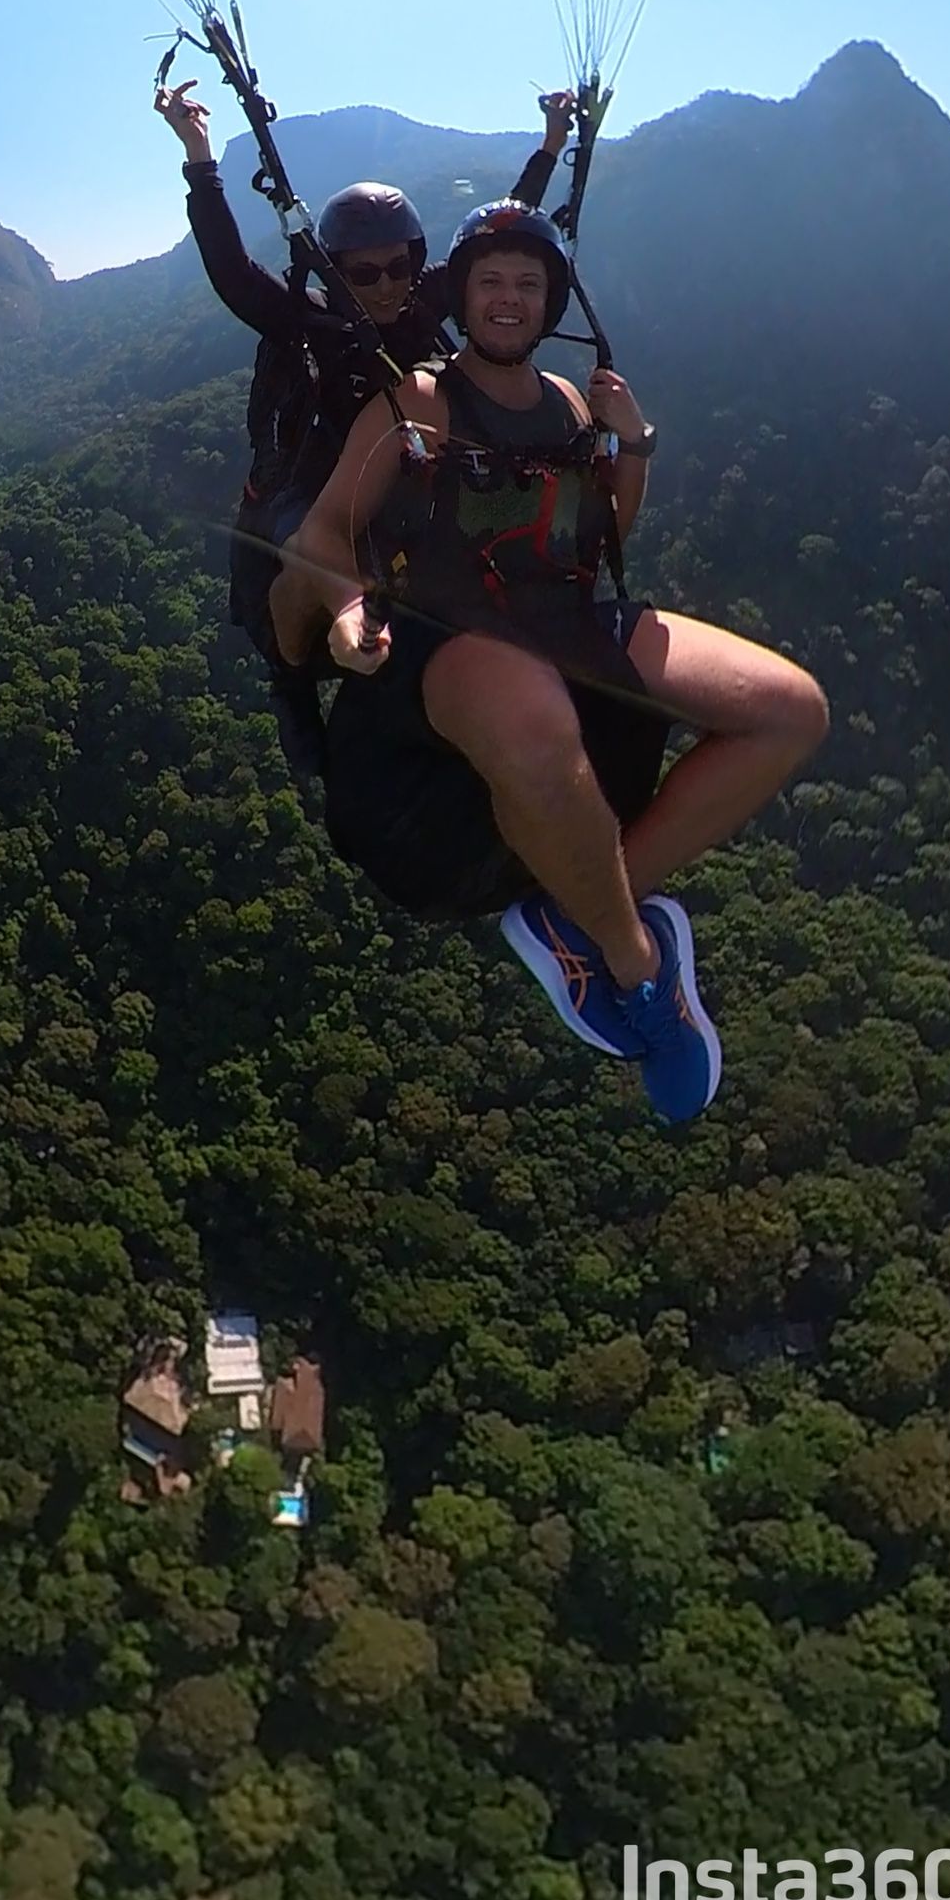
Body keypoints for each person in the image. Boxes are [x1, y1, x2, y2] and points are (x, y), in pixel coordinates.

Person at [271, 201, 829, 1122]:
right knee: (532, 710)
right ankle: (635, 966)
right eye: (490, 280)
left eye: (528, 283)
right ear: (461, 294)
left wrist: (631, 442)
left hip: (563, 621)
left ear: (552, 301)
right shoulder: (416, 398)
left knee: (790, 710)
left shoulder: (574, 403)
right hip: (448, 644)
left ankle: (582, 908)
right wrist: (343, 610)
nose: (508, 298)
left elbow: (596, 537)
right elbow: (326, 531)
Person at [153, 80, 575, 765]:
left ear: (416, 261)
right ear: (335, 268)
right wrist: (200, 155)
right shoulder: (308, 317)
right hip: (309, 493)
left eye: (398, 267)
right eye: (364, 272)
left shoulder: (421, 301)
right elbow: (232, 272)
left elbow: (507, 230)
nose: (383, 286)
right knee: (309, 567)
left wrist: (550, 144)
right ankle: (291, 684)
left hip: (397, 480)